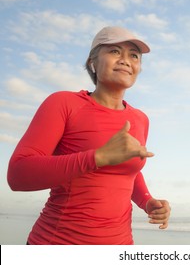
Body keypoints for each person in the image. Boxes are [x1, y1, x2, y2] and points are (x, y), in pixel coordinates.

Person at [7, 26, 171, 245]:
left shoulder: (140, 119)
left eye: (134, 55)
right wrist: (98, 157)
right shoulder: (64, 103)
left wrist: (147, 201)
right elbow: (18, 174)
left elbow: (127, 172)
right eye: (114, 51)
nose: (125, 60)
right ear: (93, 62)